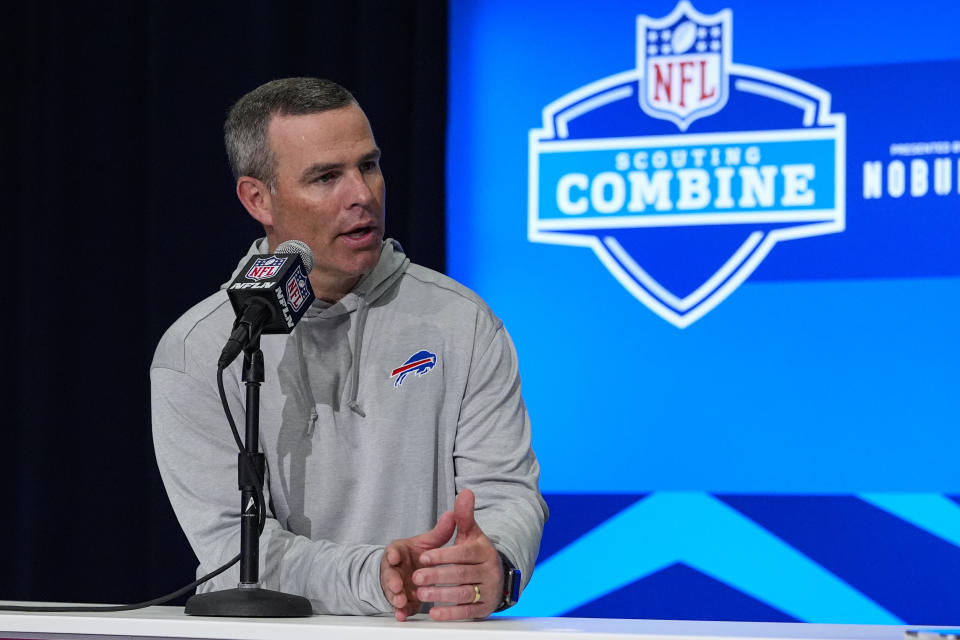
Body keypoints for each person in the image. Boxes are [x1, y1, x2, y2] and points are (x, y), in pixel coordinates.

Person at [151, 77, 547, 621]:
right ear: (257, 199)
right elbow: (231, 551)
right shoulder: (199, 351)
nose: (362, 194)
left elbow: (506, 494)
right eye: (326, 177)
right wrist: (376, 576)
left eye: (369, 165)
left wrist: (496, 565)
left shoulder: (462, 323)